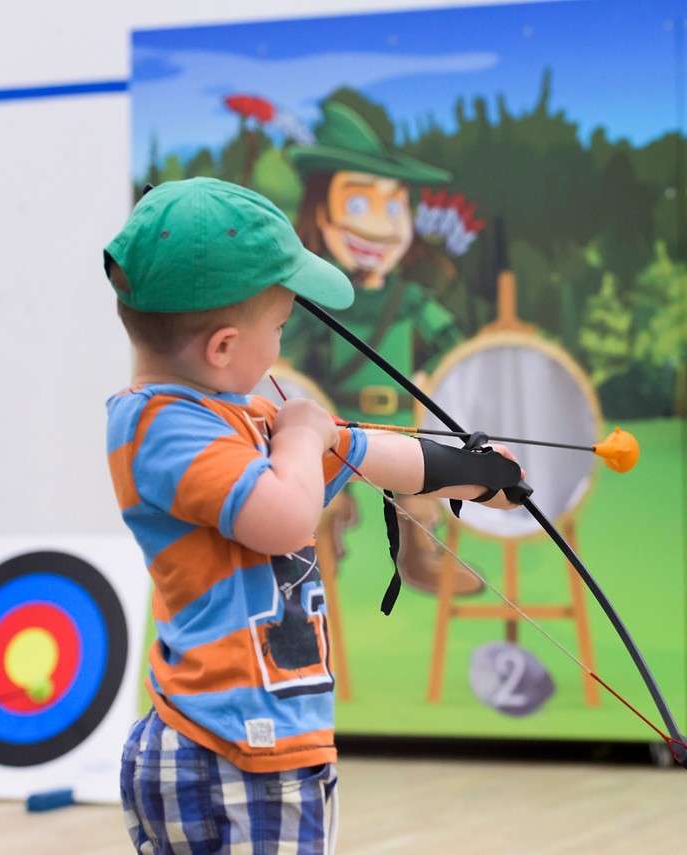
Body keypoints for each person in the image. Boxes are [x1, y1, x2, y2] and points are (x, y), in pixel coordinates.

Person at [104, 178, 525, 852]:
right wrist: (303, 435)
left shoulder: (238, 418)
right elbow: (280, 517)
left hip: (247, 741)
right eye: (277, 328)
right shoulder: (161, 428)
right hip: (235, 746)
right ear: (222, 347)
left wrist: (476, 473)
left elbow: (366, 451)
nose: (281, 347)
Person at [285, 100, 479, 597]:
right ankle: (316, 562)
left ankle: (421, 558)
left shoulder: (409, 301)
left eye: (393, 206)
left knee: (419, 497)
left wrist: (434, 387)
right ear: (320, 215)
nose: (378, 225)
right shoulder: (317, 304)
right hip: (333, 431)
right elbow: (283, 363)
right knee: (320, 501)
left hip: (399, 426)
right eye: (356, 204)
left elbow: (452, 350)